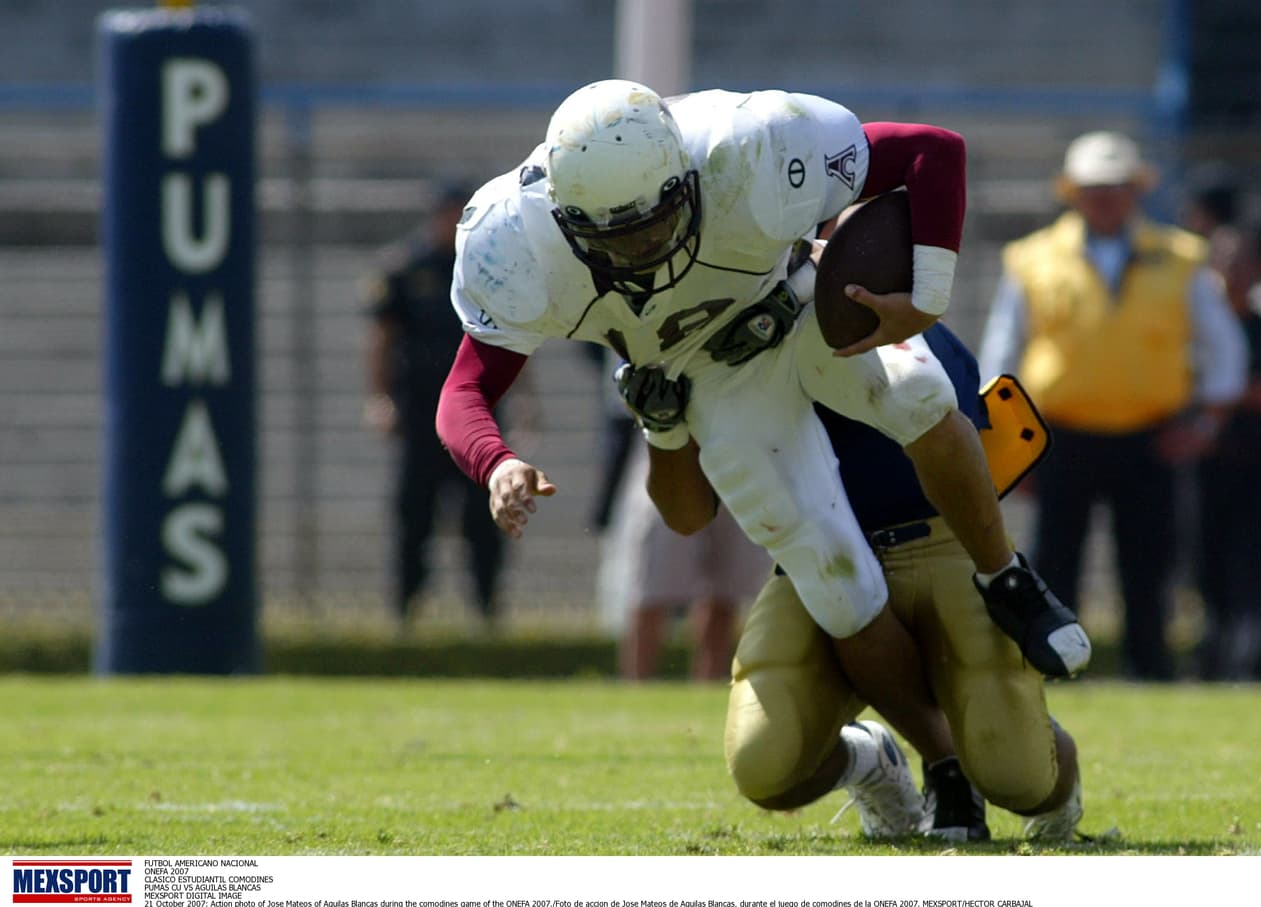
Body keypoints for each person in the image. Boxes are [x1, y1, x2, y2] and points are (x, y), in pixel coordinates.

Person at [436, 81, 1089, 751]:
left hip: (798, 299)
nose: (639, 251)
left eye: (652, 224)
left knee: (915, 389)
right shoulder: (511, 239)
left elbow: (931, 151)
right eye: (612, 236)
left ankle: (1007, 575)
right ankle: (942, 764)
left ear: (684, 180)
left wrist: (926, 296)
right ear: (565, 217)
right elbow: (464, 391)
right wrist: (497, 461)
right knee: (832, 580)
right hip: (713, 373)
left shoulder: (747, 146)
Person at [629, 319, 1083, 842]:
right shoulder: (715, 343)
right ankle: (872, 760)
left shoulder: (897, 324)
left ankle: (1028, 762)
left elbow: (953, 447)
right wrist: (661, 428)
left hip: (938, 542)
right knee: (764, 765)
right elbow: (686, 516)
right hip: (814, 558)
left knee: (1016, 776)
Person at [978, 131, 1247, 681]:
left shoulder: (1181, 259)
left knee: (1149, 565)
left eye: (1115, 187)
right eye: (1093, 187)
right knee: (1054, 562)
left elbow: (1224, 347)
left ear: (1135, 191)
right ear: (1073, 192)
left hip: (1151, 436)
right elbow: (1001, 355)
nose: (1104, 197)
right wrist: (1009, 448)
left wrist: (1207, 423)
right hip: (1060, 436)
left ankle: (1150, 671)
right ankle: (1051, 669)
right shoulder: (1032, 259)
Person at [362, 183, 508, 630]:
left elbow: (510, 336)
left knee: (483, 519)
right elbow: (382, 340)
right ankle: (406, 614)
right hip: (421, 413)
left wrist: (523, 401)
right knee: (414, 517)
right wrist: (379, 399)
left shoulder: (488, 269)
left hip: (477, 415)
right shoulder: (405, 269)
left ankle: (486, 613)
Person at [598, 420, 773, 681]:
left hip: (740, 449)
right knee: (651, 588)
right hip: (669, 447)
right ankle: (636, 689)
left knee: (725, 591)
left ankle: (708, 687)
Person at [1191, 227, 1261, 680]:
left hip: (1260, 470)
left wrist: (1232, 392)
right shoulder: (1197, 330)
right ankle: (1212, 663)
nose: (1233, 274)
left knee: (1256, 574)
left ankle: (1250, 667)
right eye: (1224, 264)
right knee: (1206, 571)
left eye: (1242, 263)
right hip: (1203, 470)